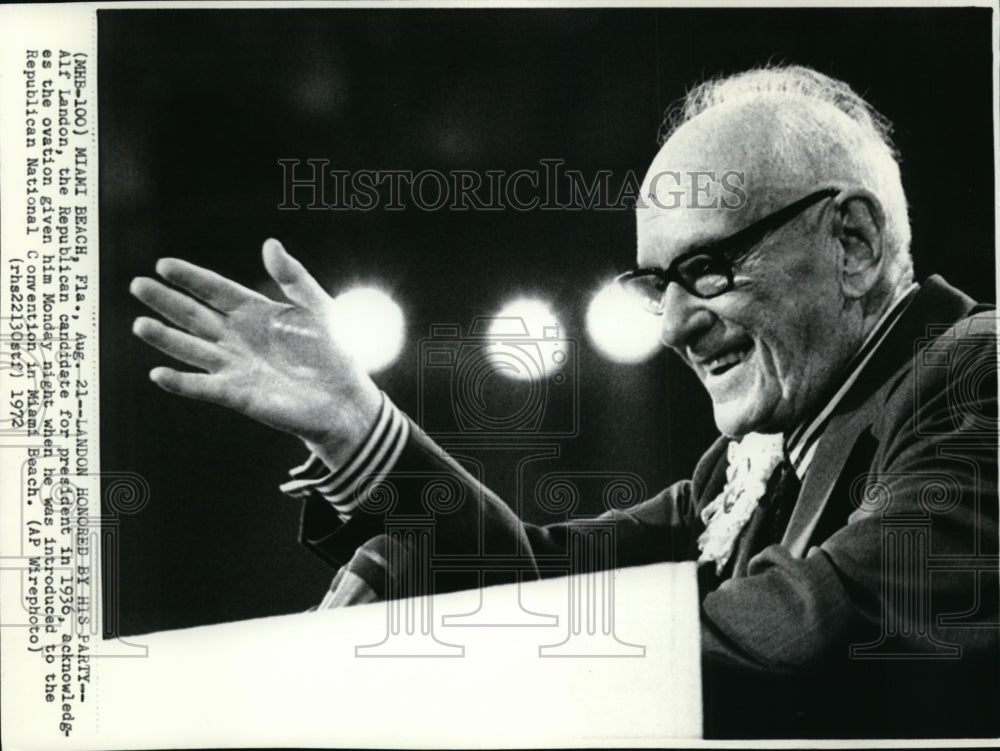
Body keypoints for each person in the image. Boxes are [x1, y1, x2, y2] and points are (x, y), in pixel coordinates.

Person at [130, 65, 998, 738]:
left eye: (704, 270)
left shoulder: (978, 375)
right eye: (657, 284)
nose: (673, 324)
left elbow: (806, 638)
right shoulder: (753, 461)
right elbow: (546, 585)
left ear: (852, 240)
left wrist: (429, 670)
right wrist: (364, 435)